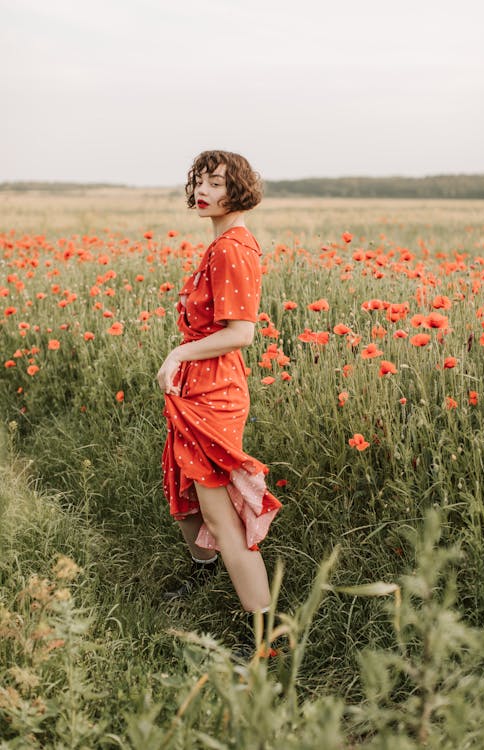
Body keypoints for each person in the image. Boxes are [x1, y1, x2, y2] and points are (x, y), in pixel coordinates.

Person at [157, 150, 281, 629]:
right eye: (201, 182)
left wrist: (177, 354)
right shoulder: (223, 243)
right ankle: (203, 573)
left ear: (240, 191)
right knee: (183, 485)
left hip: (214, 390)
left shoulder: (232, 247)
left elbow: (241, 331)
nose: (204, 191)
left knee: (220, 511)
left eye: (217, 183)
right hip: (199, 385)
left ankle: (268, 634)